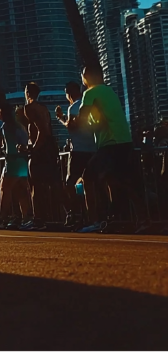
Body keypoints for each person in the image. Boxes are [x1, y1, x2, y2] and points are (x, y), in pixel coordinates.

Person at [75, 65, 151, 233]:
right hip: (124, 140)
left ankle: (95, 221)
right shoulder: (109, 92)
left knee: (88, 177)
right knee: (120, 180)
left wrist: (74, 122)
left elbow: (82, 118)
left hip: (111, 143)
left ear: (85, 77)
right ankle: (136, 220)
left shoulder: (90, 93)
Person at [0, 94, 35, 230]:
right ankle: (27, 218)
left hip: (12, 161)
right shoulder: (19, 126)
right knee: (21, 191)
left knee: (5, 189)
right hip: (22, 161)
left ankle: (1, 218)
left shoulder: (5, 127)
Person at [56, 81, 96, 229]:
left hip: (79, 150)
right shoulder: (88, 105)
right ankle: (93, 219)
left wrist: (60, 118)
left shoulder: (74, 107)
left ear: (69, 93)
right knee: (89, 185)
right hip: (92, 149)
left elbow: (72, 126)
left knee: (69, 183)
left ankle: (76, 214)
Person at [24, 82, 63, 228]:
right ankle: (68, 213)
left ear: (27, 92)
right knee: (53, 183)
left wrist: (33, 149)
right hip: (49, 149)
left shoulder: (29, 108)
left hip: (41, 150)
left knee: (36, 186)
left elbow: (42, 131)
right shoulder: (44, 108)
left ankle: (39, 219)